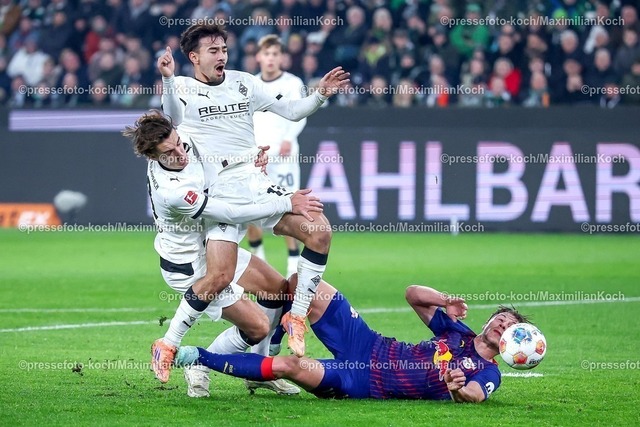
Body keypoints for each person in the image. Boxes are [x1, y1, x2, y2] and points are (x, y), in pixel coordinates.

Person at [157, 24, 349, 361]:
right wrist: (169, 79)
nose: (222, 56)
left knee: (319, 231)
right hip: (219, 197)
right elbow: (172, 118)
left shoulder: (244, 82)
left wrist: (320, 94)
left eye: (224, 49)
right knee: (219, 277)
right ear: (194, 57)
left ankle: (296, 317)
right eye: (213, 51)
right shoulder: (182, 87)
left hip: (255, 182)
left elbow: (292, 111)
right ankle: (175, 346)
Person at [122, 111, 322, 393]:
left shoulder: (182, 142)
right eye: (170, 152)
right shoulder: (173, 192)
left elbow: (219, 152)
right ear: (153, 157)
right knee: (258, 328)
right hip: (188, 264)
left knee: (276, 291)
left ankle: (259, 371)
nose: (180, 153)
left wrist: (251, 158)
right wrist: (286, 203)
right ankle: (198, 363)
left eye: (179, 143)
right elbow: (231, 213)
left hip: (212, 247)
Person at [175, 277, 531, 402]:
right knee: (303, 284)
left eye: (509, 326)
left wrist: (457, 388)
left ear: (511, 345)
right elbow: (412, 294)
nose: (501, 323)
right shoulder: (456, 331)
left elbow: (474, 395)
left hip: (362, 381)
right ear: (488, 320)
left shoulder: (487, 371)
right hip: (368, 343)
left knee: (289, 367)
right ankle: (275, 338)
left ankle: (197, 357)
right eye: (500, 318)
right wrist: (444, 299)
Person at [246, 34, 307, 278]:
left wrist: (289, 138)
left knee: (289, 204)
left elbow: (301, 112)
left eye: (275, 54)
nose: (270, 58)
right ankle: (258, 255)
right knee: (250, 205)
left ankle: (293, 260)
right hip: (257, 156)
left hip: (284, 157)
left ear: (282, 58)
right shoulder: (251, 84)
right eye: (266, 54)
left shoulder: (293, 83)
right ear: (258, 57)